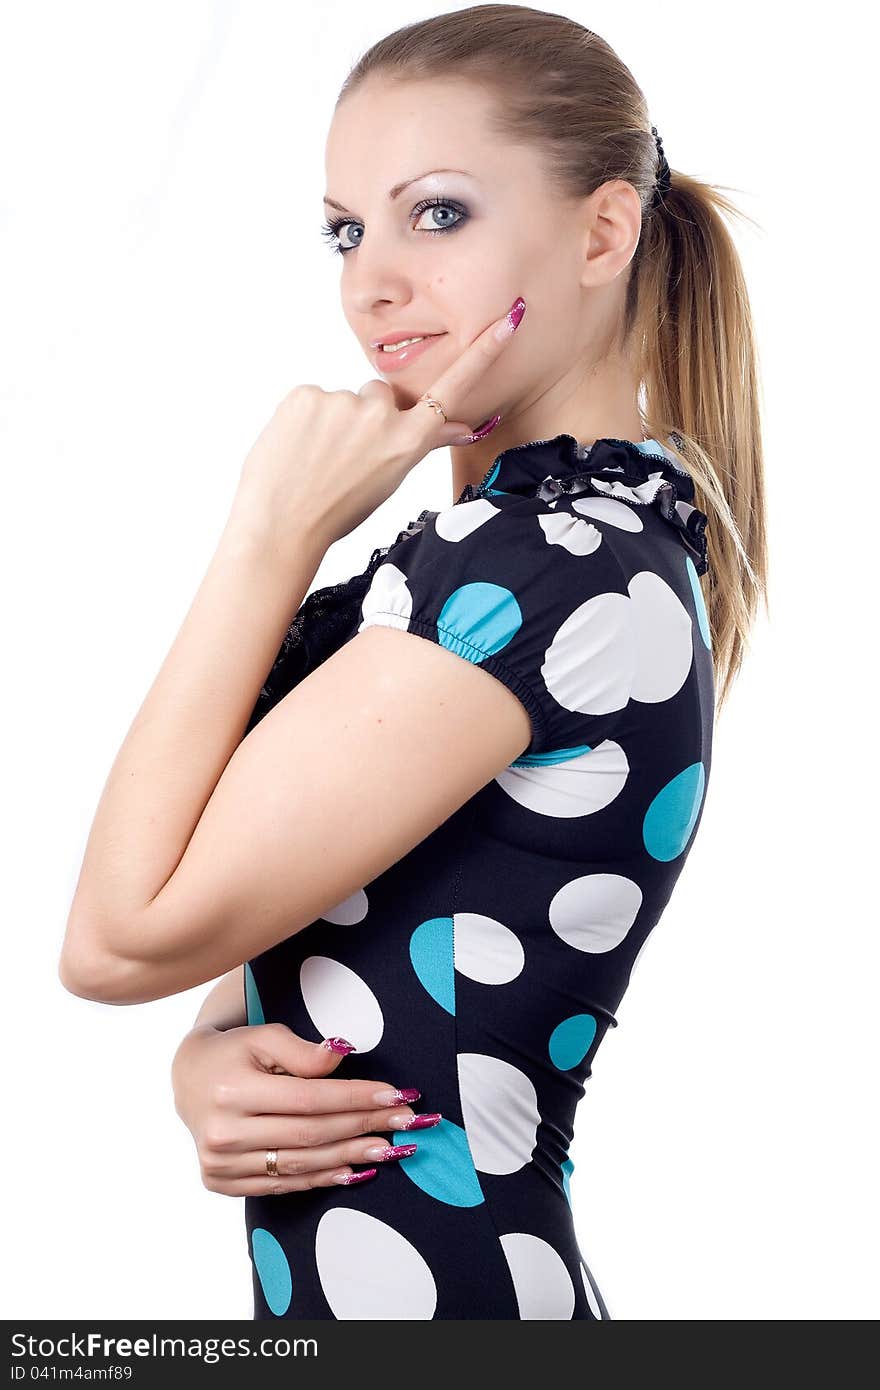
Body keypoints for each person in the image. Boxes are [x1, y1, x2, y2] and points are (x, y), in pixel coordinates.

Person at [60, 5, 768, 1320]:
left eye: (435, 213)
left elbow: (117, 934)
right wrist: (207, 1062)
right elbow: (300, 948)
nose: (369, 280)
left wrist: (270, 528)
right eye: (346, 229)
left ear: (603, 232)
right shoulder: (579, 546)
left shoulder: (541, 566)